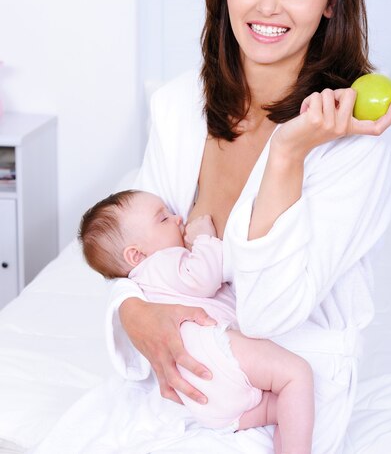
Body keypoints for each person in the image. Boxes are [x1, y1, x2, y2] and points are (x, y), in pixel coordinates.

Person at [107, 0, 391, 454]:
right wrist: (132, 312)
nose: (268, 6)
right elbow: (130, 249)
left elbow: (269, 314)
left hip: (285, 396)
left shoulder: (354, 138)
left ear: (330, 2)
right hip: (179, 377)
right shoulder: (176, 105)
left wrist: (287, 156)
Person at [79, 189, 315, 453]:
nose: (178, 218)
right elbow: (203, 278)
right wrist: (205, 237)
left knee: (281, 409)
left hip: (206, 401)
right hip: (217, 353)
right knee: (296, 375)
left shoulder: (142, 286)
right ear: (136, 255)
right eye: (163, 219)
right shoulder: (159, 264)